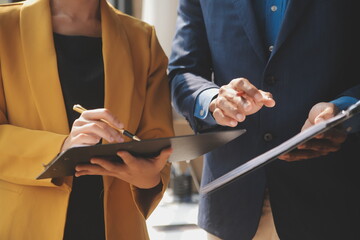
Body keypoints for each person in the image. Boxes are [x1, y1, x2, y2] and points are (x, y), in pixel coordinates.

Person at [168, 0, 360, 239]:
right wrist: (214, 100)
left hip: (334, 203)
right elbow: (182, 72)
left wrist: (343, 110)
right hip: (232, 206)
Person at [0, 0, 174, 239]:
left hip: (116, 229)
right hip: (23, 224)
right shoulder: (4, 27)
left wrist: (147, 177)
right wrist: (61, 147)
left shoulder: (143, 39)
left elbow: (157, 152)